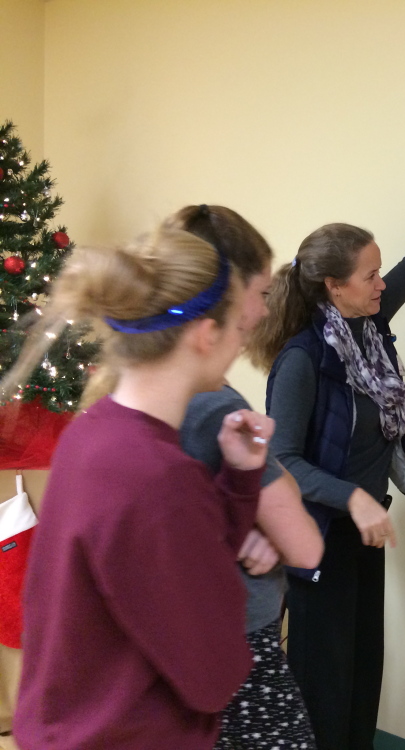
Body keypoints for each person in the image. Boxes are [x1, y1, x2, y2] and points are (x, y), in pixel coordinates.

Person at [247, 148, 405, 750]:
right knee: (323, 684)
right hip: (318, 537)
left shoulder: (369, 329)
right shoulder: (303, 360)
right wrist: (353, 497)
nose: (383, 283)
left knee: (361, 674)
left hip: (362, 532)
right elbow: (282, 462)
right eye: (370, 276)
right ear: (334, 286)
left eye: (379, 272)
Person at [4, 226, 273, 748]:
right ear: (204, 334)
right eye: (239, 322)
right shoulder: (158, 476)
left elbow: (168, 563)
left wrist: (238, 481)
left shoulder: (94, 432)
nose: (246, 334)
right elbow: (213, 676)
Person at [169, 205, 323, 750]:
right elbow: (304, 545)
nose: (266, 309)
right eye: (259, 292)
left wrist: (238, 520)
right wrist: (271, 527)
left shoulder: (125, 411)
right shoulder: (217, 408)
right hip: (234, 639)